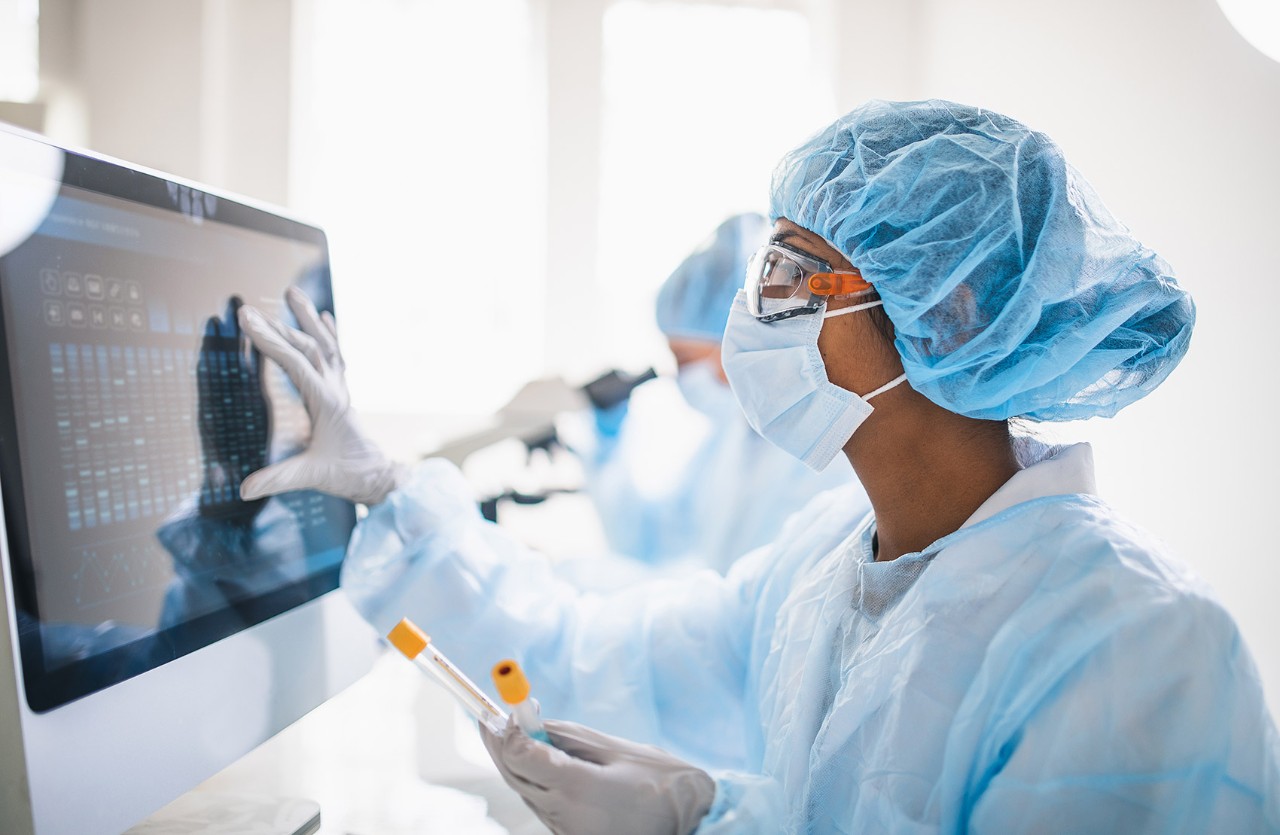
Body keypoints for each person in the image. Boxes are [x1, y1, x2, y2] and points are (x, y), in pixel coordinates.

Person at [236, 99, 1280, 833]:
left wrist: (704, 822)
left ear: (947, 311)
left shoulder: (1136, 648)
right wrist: (385, 483)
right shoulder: (826, 564)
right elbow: (595, 658)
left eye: (788, 273)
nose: (750, 316)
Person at [562, 212, 858, 575]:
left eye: (687, 359)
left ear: (738, 342)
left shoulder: (825, 452)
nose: (681, 377)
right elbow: (649, 543)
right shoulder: (731, 439)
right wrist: (608, 447)